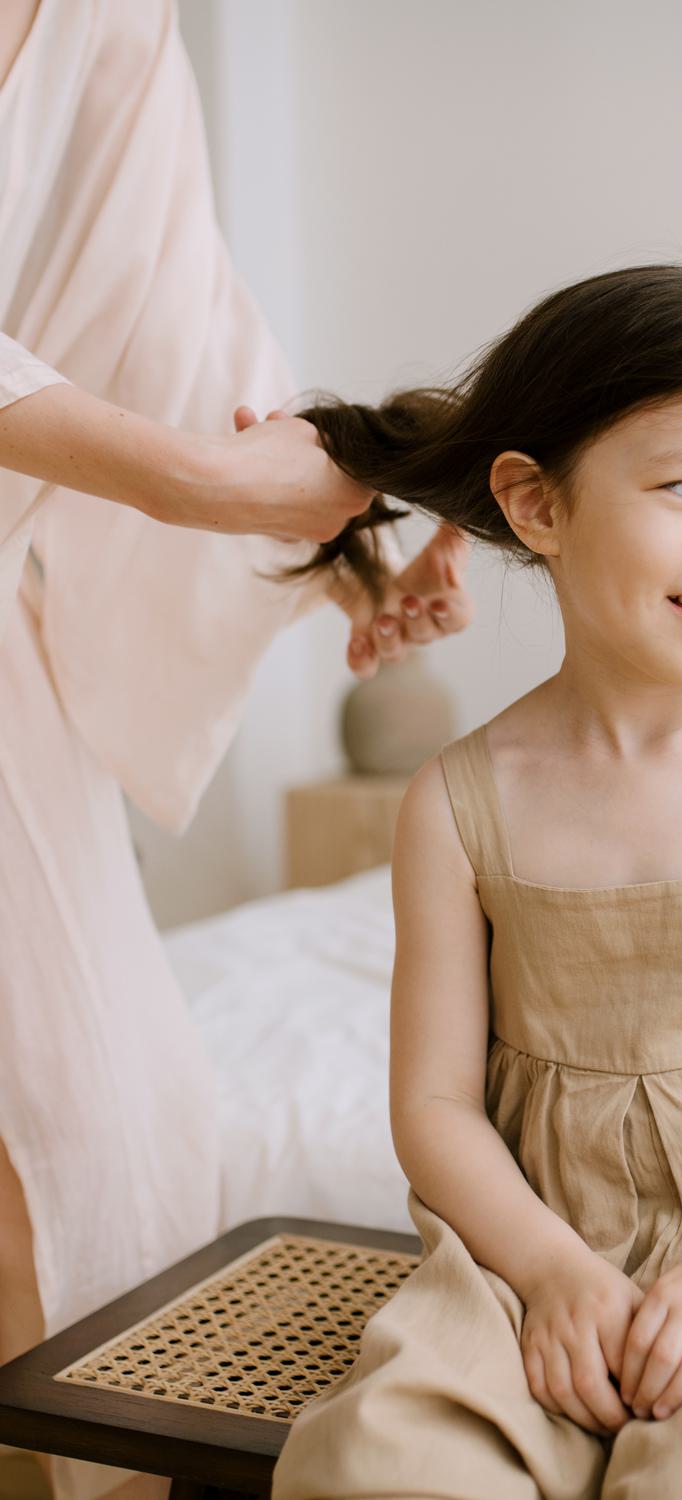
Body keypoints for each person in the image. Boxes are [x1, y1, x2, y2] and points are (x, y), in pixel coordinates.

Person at [268, 262, 682, 1499]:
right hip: (527, 1247)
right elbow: (434, 1107)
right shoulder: (459, 801)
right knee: (385, 1464)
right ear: (536, 507)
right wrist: (547, 1271)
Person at [0, 6, 472, 1500]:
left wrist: (359, 537)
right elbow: (195, 448)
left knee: (104, 1127)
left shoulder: (104, 19)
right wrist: (205, 485)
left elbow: (178, 332)